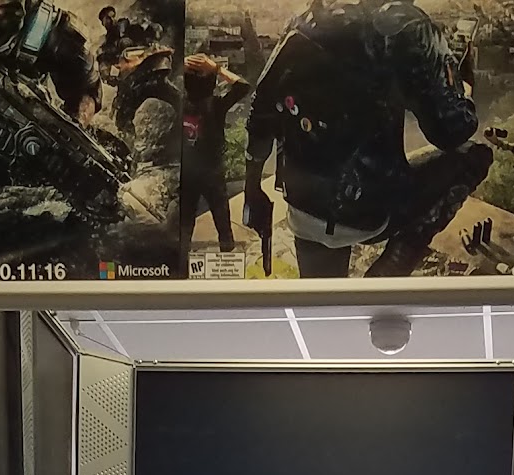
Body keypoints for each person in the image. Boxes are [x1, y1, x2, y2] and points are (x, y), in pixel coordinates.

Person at [240, 0, 488, 277]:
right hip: (370, 210)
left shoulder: (307, 17)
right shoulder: (406, 26)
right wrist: (462, 89)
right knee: (473, 157)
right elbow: (452, 132)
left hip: (303, 207)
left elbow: (261, 108)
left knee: (323, 297)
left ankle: (330, 295)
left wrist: (252, 189)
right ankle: (391, 267)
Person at [179, 53, 249, 251]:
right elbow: (243, 86)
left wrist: (180, 67)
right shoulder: (217, 104)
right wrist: (217, 68)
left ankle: (182, 262)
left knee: (184, 227)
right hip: (213, 173)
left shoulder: (179, 103)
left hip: (187, 174)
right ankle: (227, 260)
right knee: (223, 226)